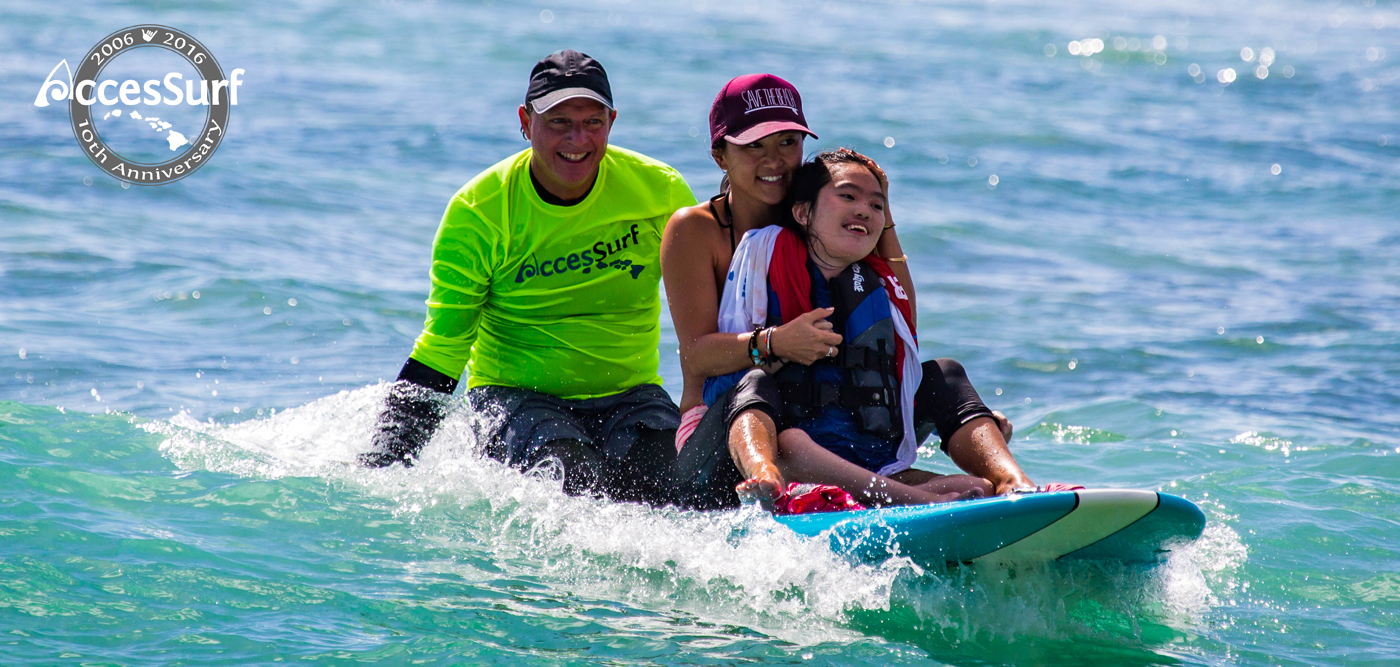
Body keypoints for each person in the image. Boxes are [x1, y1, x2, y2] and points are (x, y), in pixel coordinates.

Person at [661, 75, 1035, 510]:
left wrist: (884, 209)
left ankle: (1012, 483)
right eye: (754, 146)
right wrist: (776, 342)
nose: (775, 160)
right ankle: (873, 492)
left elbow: (900, 315)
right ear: (720, 154)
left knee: (944, 376)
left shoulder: (823, 213)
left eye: (787, 142)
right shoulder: (696, 230)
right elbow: (696, 356)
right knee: (757, 382)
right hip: (730, 433)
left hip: (827, 422)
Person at [359, 50, 697, 506]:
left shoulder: (661, 191)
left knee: (688, 492)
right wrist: (382, 468)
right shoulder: (480, 212)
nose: (578, 139)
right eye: (559, 121)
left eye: (593, 122)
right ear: (525, 120)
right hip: (515, 398)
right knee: (577, 486)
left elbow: (709, 313)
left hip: (631, 397)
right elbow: (443, 346)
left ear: (612, 122)